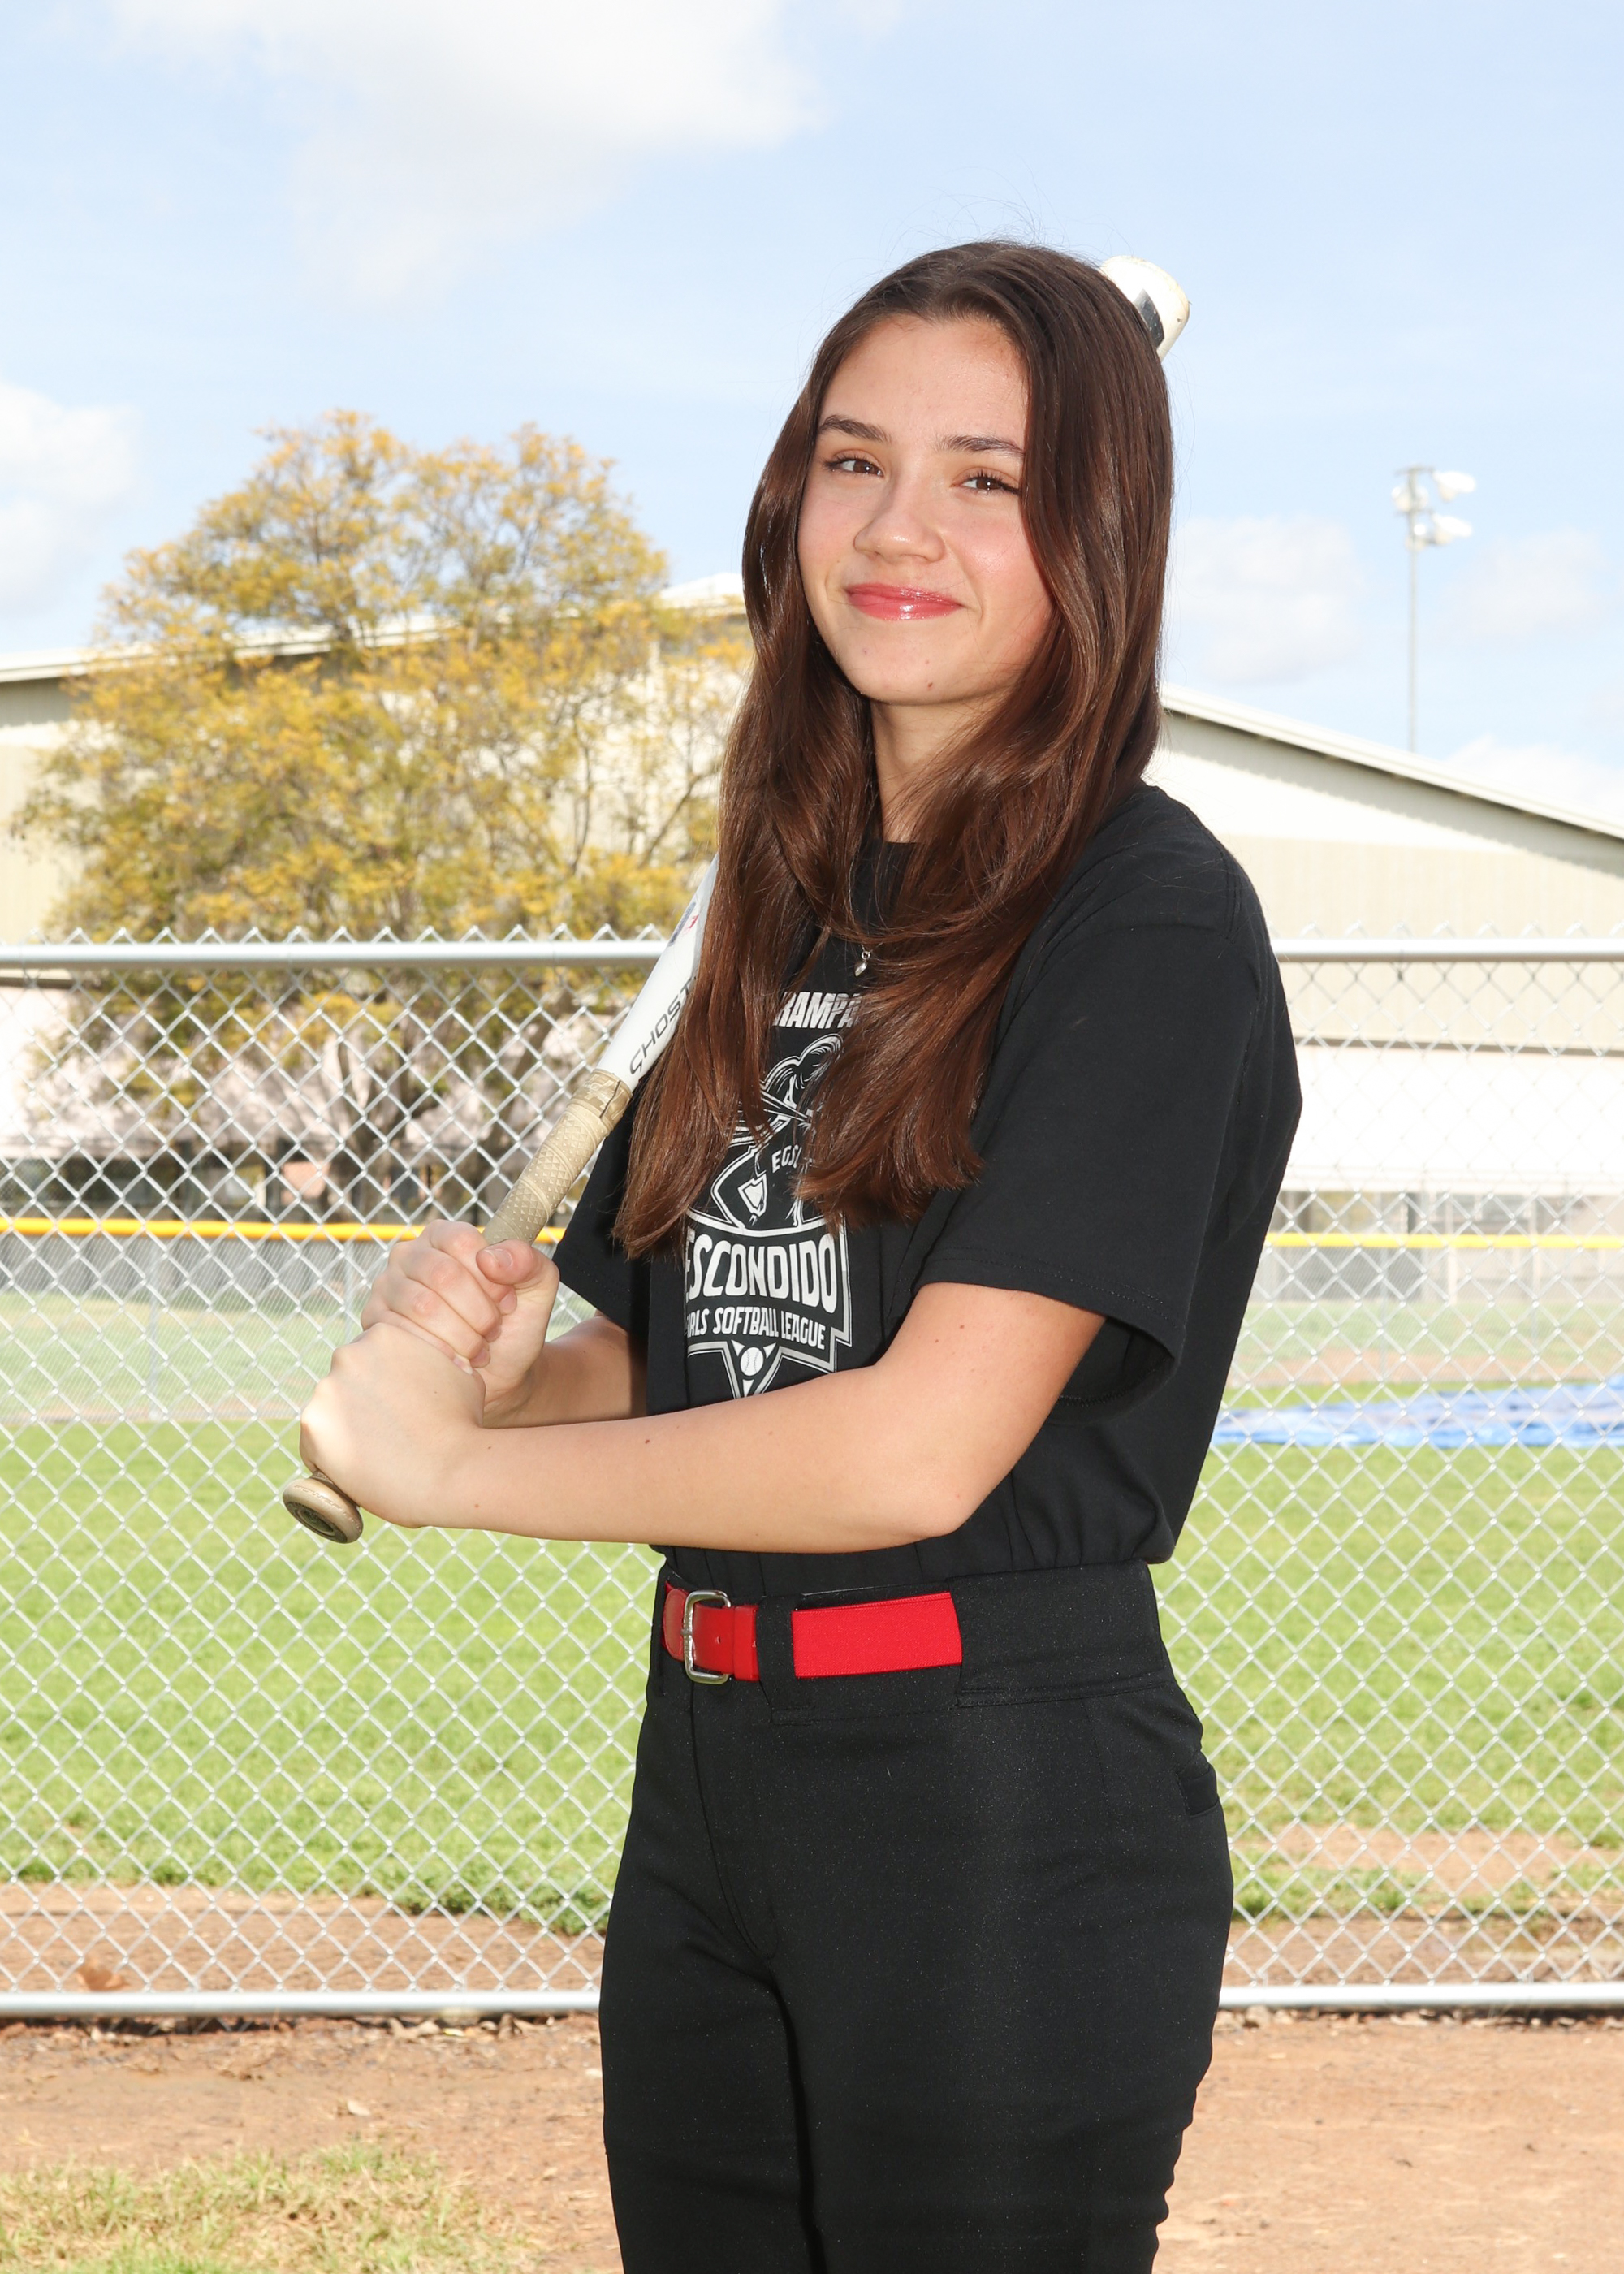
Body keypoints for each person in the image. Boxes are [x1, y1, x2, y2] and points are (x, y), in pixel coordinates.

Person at [301, 240, 1301, 2273]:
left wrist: (455, 1471)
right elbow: (681, 1353)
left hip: (994, 1796)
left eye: (985, 478)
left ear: (1098, 533)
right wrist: (498, 1370)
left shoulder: (1143, 915)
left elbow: (913, 1445)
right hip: (712, 1775)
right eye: (855, 461)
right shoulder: (784, 902)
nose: (898, 526)